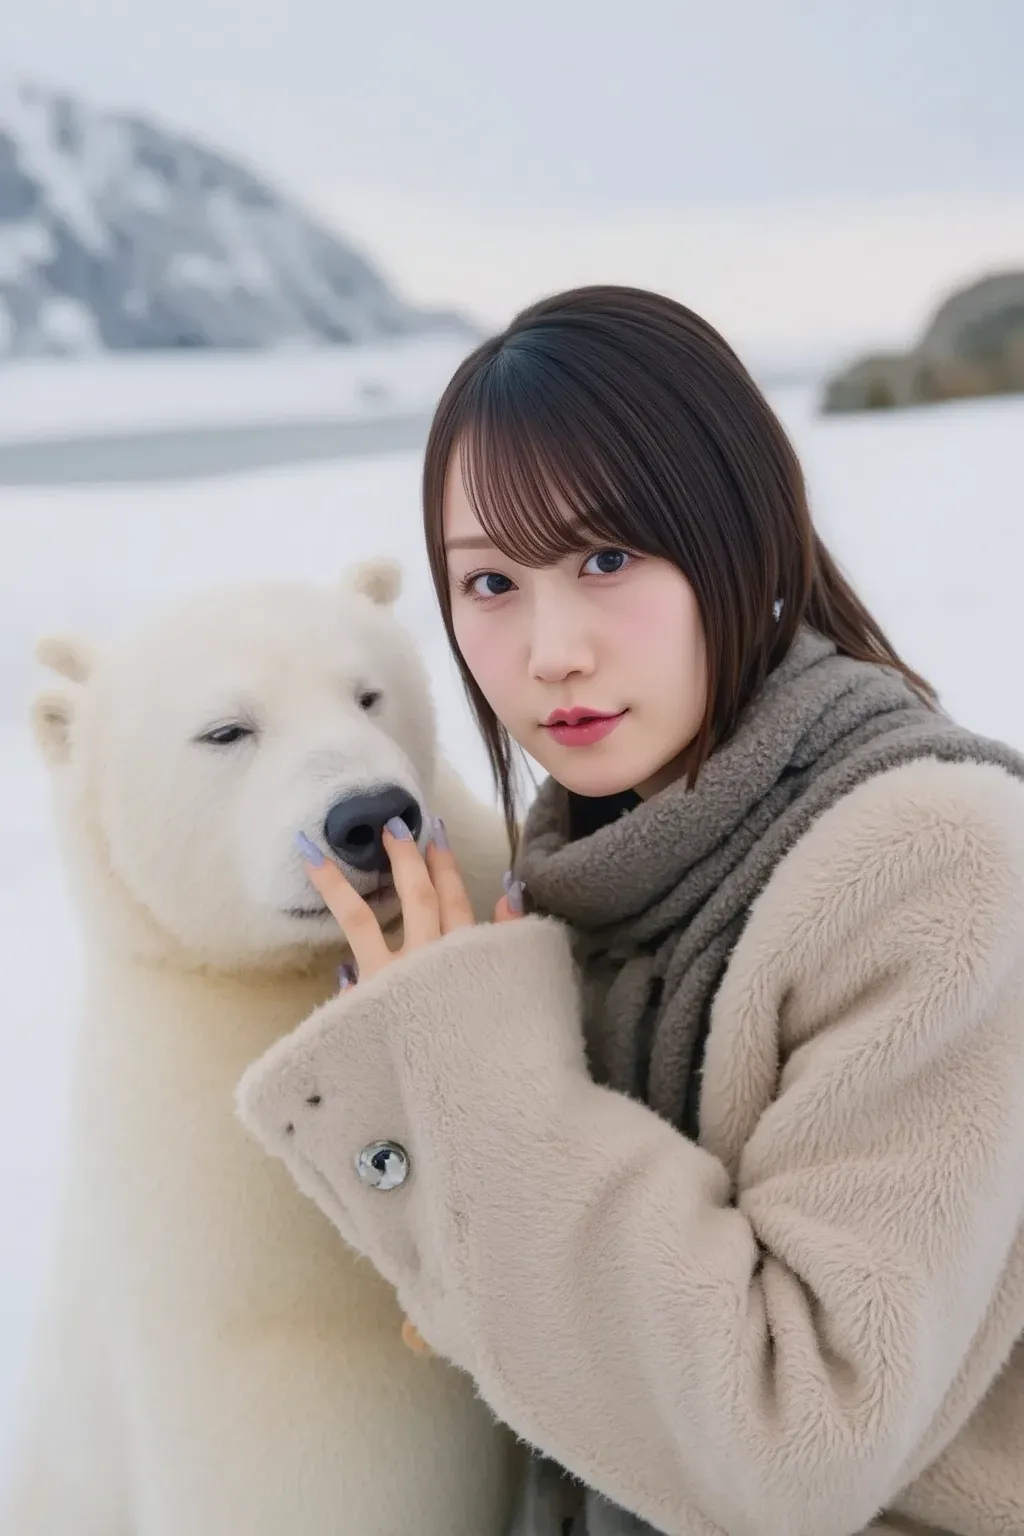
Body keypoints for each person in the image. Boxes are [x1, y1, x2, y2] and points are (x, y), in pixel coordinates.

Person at [237, 287, 1024, 1536]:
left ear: (742, 532)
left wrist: (471, 1067)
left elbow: (798, 1438)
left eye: (605, 559)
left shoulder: (929, 866)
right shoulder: (584, 879)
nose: (549, 650)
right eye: (489, 582)